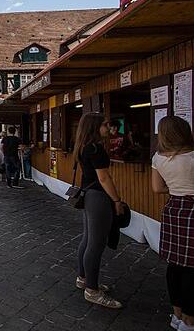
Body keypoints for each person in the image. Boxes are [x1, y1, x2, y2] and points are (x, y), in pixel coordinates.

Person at [151, 116, 194, 331]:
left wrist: (177, 189)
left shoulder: (158, 158)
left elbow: (158, 188)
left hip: (173, 209)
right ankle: (191, 321)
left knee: (175, 265)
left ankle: (177, 315)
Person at [73, 112, 124, 309]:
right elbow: (104, 178)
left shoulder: (83, 147)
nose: (108, 128)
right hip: (98, 197)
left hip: (87, 195)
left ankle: (83, 278)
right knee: (96, 243)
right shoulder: (96, 149)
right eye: (105, 124)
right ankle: (92, 290)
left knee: (87, 240)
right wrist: (117, 200)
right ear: (95, 127)